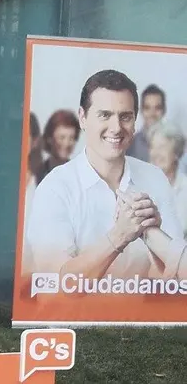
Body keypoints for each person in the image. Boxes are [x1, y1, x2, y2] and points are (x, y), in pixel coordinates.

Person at [24, 69, 184, 280]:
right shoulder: (55, 188)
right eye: (105, 115)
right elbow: (56, 286)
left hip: (146, 303)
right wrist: (119, 235)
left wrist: (152, 234)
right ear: (82, 118)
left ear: (135, 121)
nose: (116, 128)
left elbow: (179, 279)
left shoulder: (154, 178)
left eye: (125, 117)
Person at [147, 120, 187, 237]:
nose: (155, 153)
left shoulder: (185, 187)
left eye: (162, 147)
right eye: (153, 147)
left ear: (176, 153)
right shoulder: (139, 186)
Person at [34, 109, 80, 185]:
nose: (66, 143)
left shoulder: (79, 175)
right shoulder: (36, 174)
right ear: (50, 139)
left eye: (71, 138)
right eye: (62, 138)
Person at [127, 84, 166, 162]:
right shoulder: (130, 144)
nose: (152, 113)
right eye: (147, 108)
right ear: (141, 110)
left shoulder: (175, 143)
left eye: (157, 108)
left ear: (164, 110)